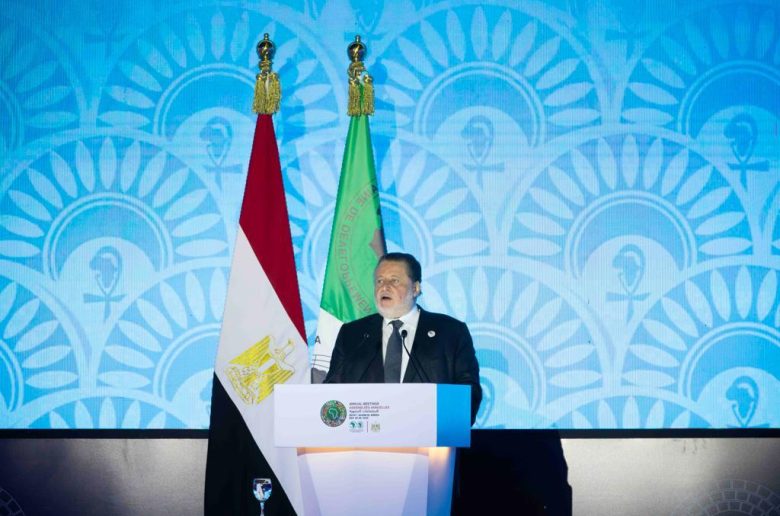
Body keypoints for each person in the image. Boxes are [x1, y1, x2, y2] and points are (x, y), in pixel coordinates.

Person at [324, 252, 482, 424]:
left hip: (429, 437)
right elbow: (331, 392)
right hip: (364, 436)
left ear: (415, 289)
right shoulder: (352, 334)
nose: (384, 287)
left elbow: (468, 392)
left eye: (394, 280)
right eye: (379, 281)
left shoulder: (450, 332)